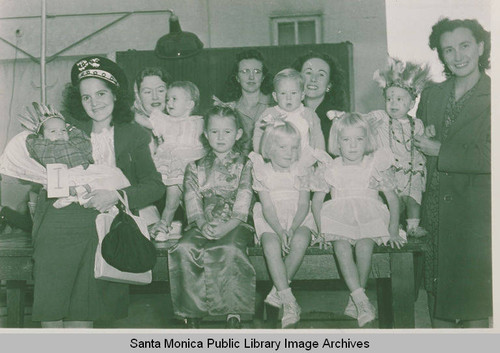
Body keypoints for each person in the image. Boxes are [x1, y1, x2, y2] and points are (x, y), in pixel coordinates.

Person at [30, 56, 164, 328]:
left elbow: (154, 185)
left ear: (115, 94)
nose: (94, 103)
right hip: (57, 223)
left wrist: (117, 196)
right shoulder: (64, 130)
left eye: (101, 93)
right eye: (86, 97)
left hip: (101, 223)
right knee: (51, 306)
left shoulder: (134, 133)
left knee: (84, 308)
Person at [413, 18, 491, 328]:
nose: (458, 56)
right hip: (435, 215)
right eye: (448, 50)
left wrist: (439, 150)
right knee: (438, 302)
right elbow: (418, 146)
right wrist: (421, 139)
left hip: (475, 218)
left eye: (464, 46)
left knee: (474, 306)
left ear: (480, 47)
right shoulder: (432, 94)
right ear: (441, 55)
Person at [311, 113, 405, 327]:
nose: (353, 146)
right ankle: (361, 299)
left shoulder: (373, 165)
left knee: (364, 246)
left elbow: (393, 199)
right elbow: (316, 202)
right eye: (346, 140)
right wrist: (321, 230)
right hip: (339, 219)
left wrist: (392, 230)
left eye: (359, 139)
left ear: (368, 140)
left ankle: (356, 299)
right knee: (341, 247)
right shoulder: (330, 166)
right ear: (337, 142)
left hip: (368, 216)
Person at [168, 106, 255, 329]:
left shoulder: (246, 164)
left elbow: (244, 198)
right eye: (214, 132)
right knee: (184, 248)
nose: (220, 137)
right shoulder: (195, 167)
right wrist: (202, 223)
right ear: (206, 134)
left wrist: (228, 226)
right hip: (202, 224)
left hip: (236, 223)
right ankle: (191, 311)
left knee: (230, 249)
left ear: (237, 134)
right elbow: (192, 200)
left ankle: (232, 312)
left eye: (227, 132)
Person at [249, 121, 316, 328]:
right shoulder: (262, 171)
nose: (289, 153)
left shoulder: (302, 169)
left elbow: (304, 204)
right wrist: (279, 230)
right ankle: (289, 301)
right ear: (269, 148)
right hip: (272, 219)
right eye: (283, 147)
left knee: (300, 240)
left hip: (298, 217)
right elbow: (267, 207)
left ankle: (277, 292)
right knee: (270, 245)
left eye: (294, 147)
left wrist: (293, 228)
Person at [135, 81, 205, 239]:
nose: (168, 103)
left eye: (174, 99)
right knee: (171, 202)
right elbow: (146, 122)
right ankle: (163, 226)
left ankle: (193, 228)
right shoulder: (165, 121)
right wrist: (130, 112)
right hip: (175, 168)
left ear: (189, 104)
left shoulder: (199, 122)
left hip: (194, 168)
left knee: (194, 204)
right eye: (168, 99)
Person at [371, 57, 432, 236]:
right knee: (392, 202)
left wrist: (428, 135)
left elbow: (421, 144)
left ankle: (413, 227)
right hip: (390, 171)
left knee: (413, 201)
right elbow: (361, 120)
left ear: (411, 104)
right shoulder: (381, 117)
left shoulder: (417, 124)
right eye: (389, 99)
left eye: (399, 99)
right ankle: (393, 228)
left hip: (411, 170)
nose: (393, 103)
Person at [253, 68, 325, 153]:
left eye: (293, 93)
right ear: (275, 96)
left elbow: (318, 137)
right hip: (277, 160)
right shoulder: (270, 114)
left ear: (302, 95)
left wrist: (320, 156)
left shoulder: (309, 114)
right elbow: (259, 134)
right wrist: (260, 153)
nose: (288, 98)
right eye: (283, 93)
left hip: (304, 160)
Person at [220, 49, 273, 155]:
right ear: (237, 78)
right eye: (245, 71)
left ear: (263, 77)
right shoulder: (229, 109)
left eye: (257, 72)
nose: (251, 77)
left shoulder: (275, 104)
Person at [292, 51, 348, 147]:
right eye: (308, 72)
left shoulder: (338, 119)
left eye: (321, 74)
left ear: (329, 85)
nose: (313, 79)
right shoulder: (286, 112)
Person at [133, 67, 171, 152]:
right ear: (138, 96)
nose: (155, 97)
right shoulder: (130, 127)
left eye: (160, 90)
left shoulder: (182, 122)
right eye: (147, 92)